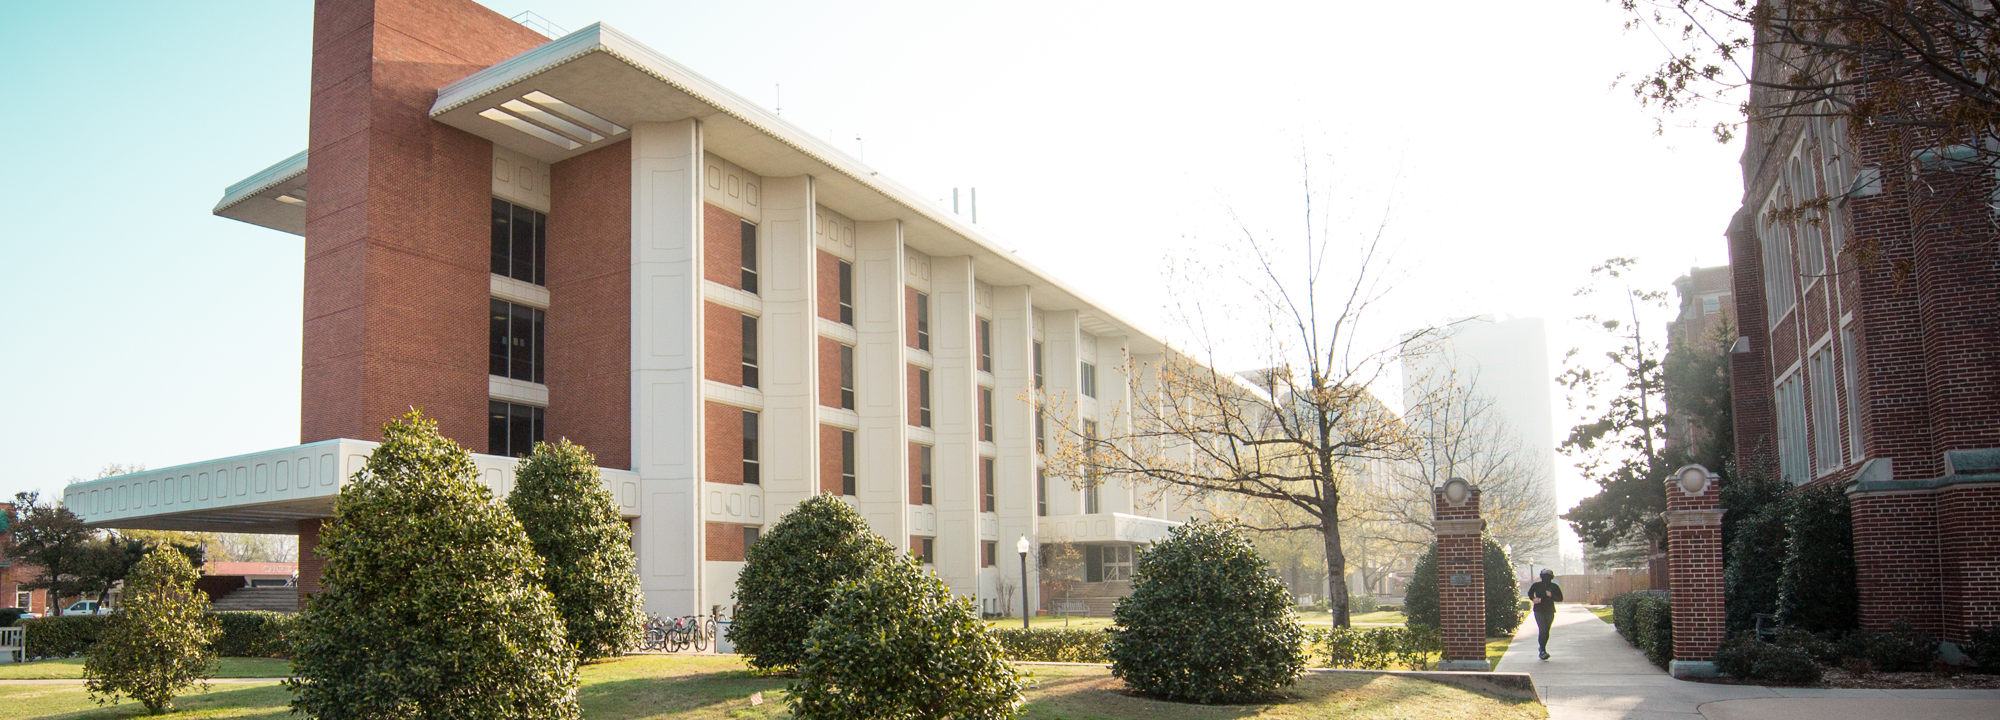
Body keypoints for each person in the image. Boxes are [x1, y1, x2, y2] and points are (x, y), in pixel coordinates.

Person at [1528, 569, 1563, 660]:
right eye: (1545, 574)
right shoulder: (1536, 585)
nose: (1547, 576)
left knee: (1546, 630)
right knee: (1542, 629)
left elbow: (1560, 598)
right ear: (1541, 576)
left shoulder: (1554, 586)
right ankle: (1543, 651)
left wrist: (1551, 595)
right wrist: (1533, 599)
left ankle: (1542, 647)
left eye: (1549, 574)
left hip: (1550, 610)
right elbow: (1530, 593)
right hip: (1539, 610)